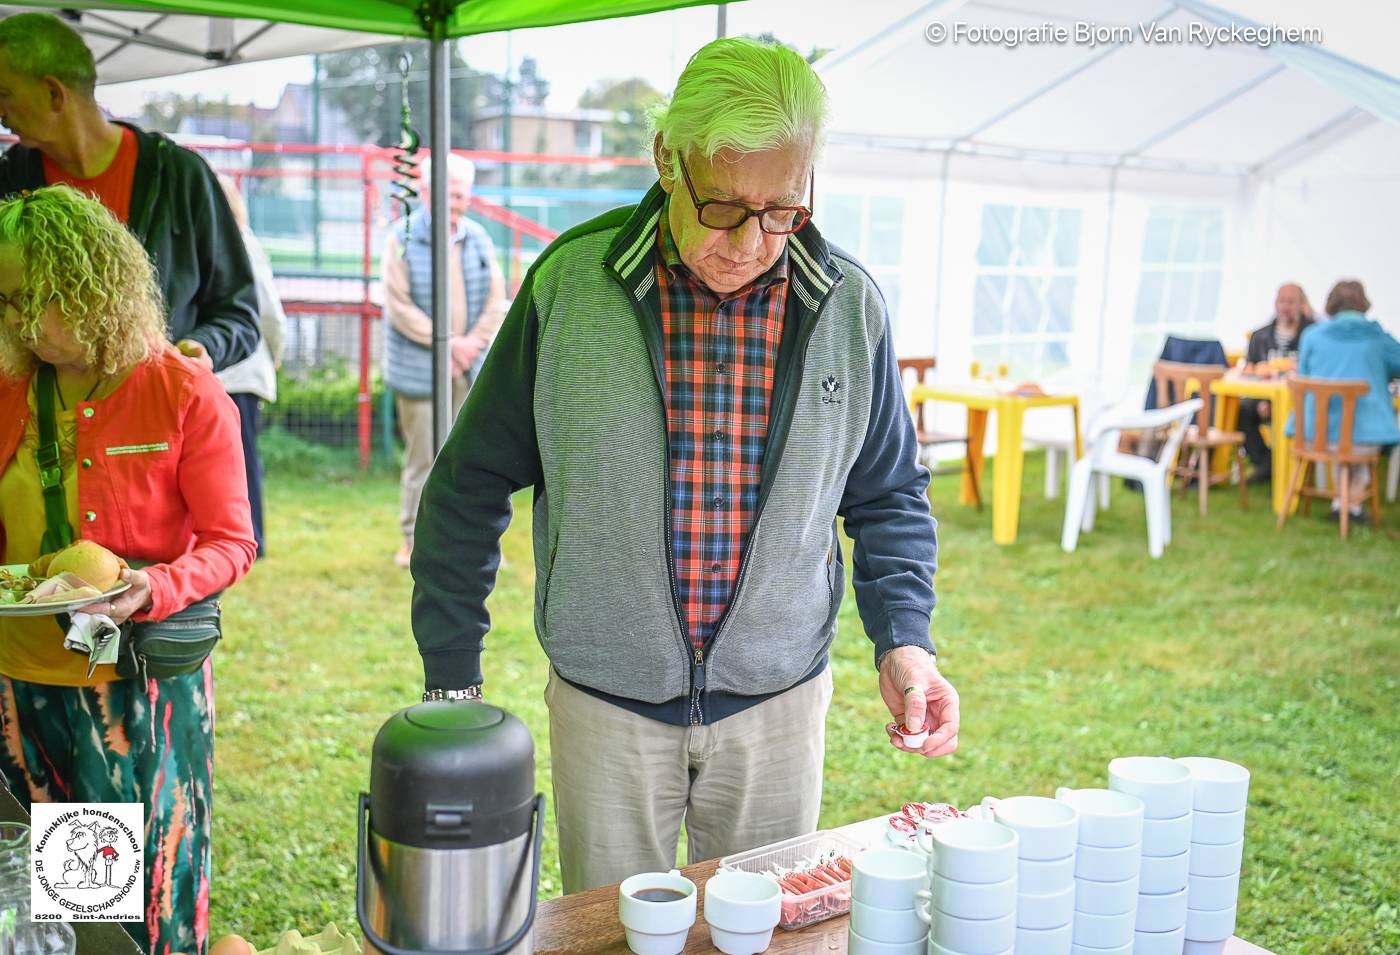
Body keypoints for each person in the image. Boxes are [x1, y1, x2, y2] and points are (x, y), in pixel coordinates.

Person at [409, 37, 958, 892]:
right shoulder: (571, 288)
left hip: (777, 704)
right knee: (611, 936)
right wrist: (452, 679)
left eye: (783, 211)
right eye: (724, 207)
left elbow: (887, 493)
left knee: (759, 933)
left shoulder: (849, 305)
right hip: (607, 704)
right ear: (668, 159)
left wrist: (906, 643)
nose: (750, 242)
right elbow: (467, 484)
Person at [0, 186, 256, 955]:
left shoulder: (186, 393)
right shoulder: (11, 389)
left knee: (139, 900)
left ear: (90, 287)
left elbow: (231, 542)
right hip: (25, 678)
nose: (15, 321)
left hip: (133, 686)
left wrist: (156, 584)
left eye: (32, 300)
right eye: (5, 300)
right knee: (62, 902)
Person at [0, 11, 259, 373]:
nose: (1, 113)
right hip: (43, 418)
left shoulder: (178, 176)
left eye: (5, 94)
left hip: (154, 412)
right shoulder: (8, 182)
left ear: (53, 93)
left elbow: (239, 312)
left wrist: (203, 345)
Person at [381, 152, 505, 568]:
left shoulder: (480, 238)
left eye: (464, 193)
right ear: (429, 191)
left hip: (469, 368)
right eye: (452, 192)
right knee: (423, 460)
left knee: (472, 458)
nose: (459, 201)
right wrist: (448, 344)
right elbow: (399, 307)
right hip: (422, 369)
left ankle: (470, 543)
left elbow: (494, 300)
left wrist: (470, 345)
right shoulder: (402, 237)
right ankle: (412, 542)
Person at [215, 174, 285, 558]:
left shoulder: (238, 245)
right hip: (237, 373)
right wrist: (275, 352)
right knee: (237, 458)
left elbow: (267, 310)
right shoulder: (241, 243)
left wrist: (273, 351)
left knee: (236, 458)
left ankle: (251, 538)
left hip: (234, 375)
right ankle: (244, 538)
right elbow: (271, 312)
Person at [1294, 279, 1400, 523]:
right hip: (1364, 438)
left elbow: (1304, 373)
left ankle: (1341, 503)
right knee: (1360, 438)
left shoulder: (1312, 335)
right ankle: (1350, 506)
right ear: (1363, 304)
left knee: (1343, 435)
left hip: (1314, 435)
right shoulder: (1377, 338)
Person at [1238, 283, 1315, 483]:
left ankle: (1273, 467)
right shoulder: (1260, 336)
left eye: (1292, 301)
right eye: (1282, 301)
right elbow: (1250, 371)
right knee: (1243, 410)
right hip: (1264, 396)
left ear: (1302, 305)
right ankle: (1267, 463)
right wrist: (1266, 399)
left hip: (1300, 401)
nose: (1286, 306)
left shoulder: (1313, 334)